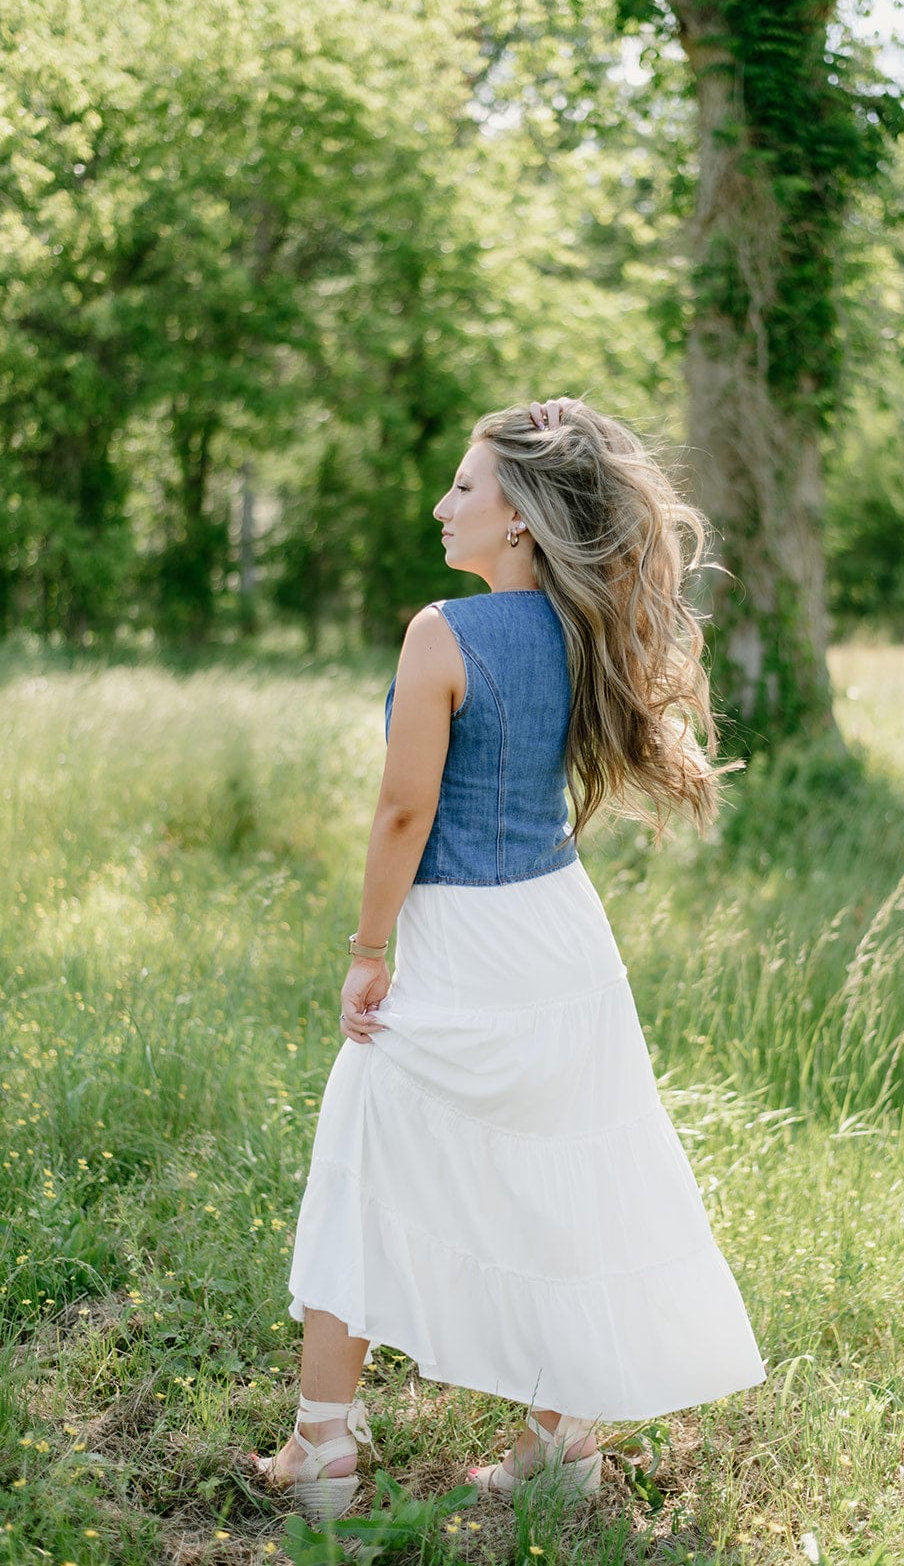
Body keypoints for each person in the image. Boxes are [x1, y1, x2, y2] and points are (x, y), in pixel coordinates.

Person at [251, 397, 765, 1523]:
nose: (444, 505)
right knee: (557, 1185)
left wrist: (366, 949)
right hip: (561, 937)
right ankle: (562, 1441)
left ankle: (324, 1452)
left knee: (361, 1165)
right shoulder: (587, 634)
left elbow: (402, 813)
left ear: (521, 518)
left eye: (465, 486)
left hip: (458, 938)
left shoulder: (443, 631)